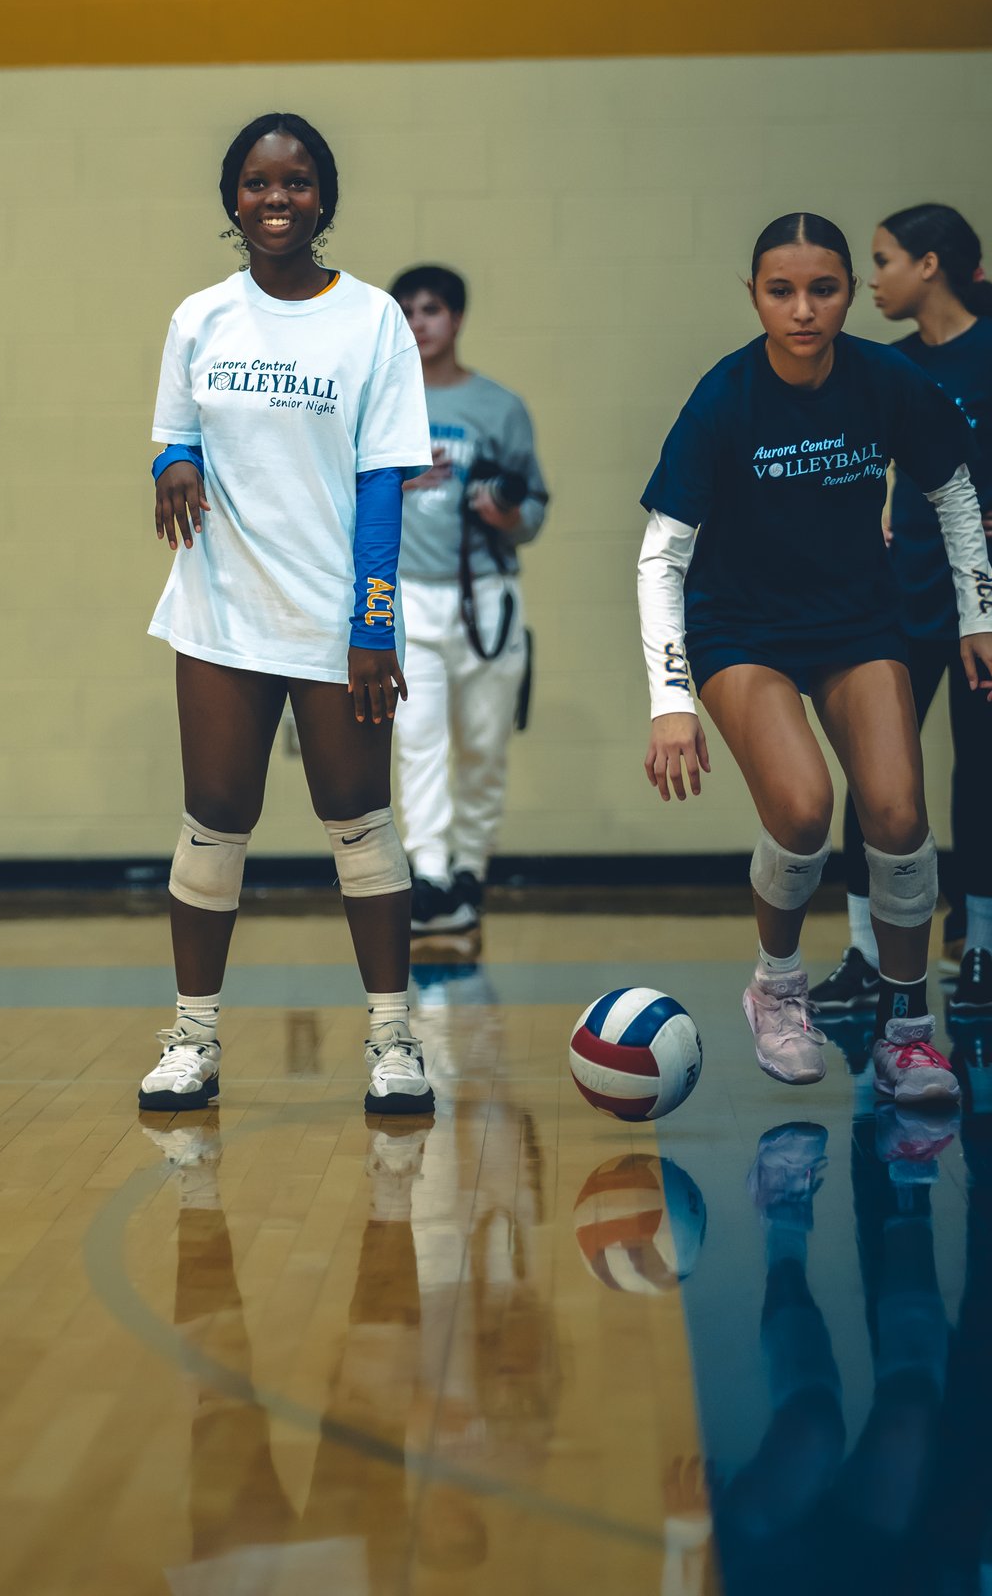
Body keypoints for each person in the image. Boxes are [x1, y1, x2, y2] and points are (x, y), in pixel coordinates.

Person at [637, 213, 992, 1105]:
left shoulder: (886, 379)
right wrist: (669, 698)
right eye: (781, 291)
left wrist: (976, 614)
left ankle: (908, 1033)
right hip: (742, 625)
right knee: (803, 808)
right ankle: (777, 987)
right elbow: (662, 557)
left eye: (825, 289)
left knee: (898, 815)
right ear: (753, 295)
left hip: (856, 621)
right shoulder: (723, 397)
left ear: (844, 295)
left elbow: (952, 489)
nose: (804, 310)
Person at [141, 113, 436, 1117]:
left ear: (323, 198)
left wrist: (372, 623)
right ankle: (192, 1040)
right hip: (221, 609)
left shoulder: (372, 321)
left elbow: (385, 481)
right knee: (214, 820)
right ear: (234, 199)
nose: (278, 199)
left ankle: (394, 1042)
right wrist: (174, 468)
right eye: (260, 183)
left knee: (358, 823)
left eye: (298, 182)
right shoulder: (199, 319)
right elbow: (172, 437)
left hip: (332, 622)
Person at [810, 206, 992, 1022]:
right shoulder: (888, 365)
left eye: (881, 260)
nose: (870, 278)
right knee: (878, 773)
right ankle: (861, 952)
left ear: (929, 265)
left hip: (979, 602)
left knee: (981, 771)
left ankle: (980, 945)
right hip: (904, 591)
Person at [388, 265, 549, 939]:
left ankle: (470, 869)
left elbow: (534, 506)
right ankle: (426, 874)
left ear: (456, 319)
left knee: (482, 745)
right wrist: (400, 480)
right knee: (416, 741)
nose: (419, 323)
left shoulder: (499, 407)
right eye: (407, 312)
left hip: (486, 600)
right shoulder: (379, 402)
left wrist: (501, 512)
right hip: (406, 601)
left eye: (431, 310)